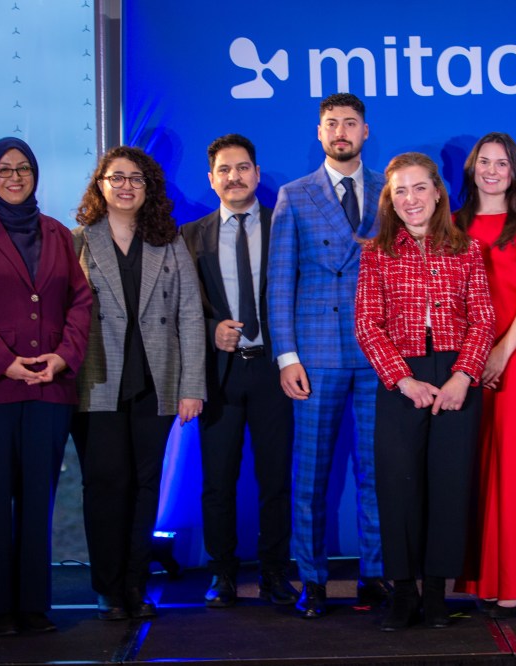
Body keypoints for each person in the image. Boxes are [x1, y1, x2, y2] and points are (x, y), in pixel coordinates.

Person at [0, 137, 92, 635]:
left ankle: (33, 606)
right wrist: (4, 362)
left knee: (36, 500)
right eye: (4, 169)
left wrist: (63, 356)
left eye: (23, 168)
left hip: (48, 385)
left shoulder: (57, 233)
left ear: (35, 174)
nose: (14, 177)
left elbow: (80, 302)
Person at [355, 152, 494, 631]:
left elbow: (483, 320)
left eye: (419, 188)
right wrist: (403, 380)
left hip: (456, 374)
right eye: (400, 191)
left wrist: (463, 376)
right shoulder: (376, 253)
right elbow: (367, 325)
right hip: (401, 377)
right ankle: (403, 591)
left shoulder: (467, 249)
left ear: (438, 192)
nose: (411, 199)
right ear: (389, 200)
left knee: (449, 485)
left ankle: (436, 592)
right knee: (398, 486)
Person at [268, 92, 391, 618]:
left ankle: (376, 576)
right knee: (311, 475)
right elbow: (279, 282)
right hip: (315, 355)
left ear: (365, 131)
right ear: (319, 133)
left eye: (350, 122)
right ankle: (313, 581)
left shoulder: (391, 191)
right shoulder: (294, 196)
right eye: (332, 123)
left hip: (379, 352)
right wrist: (286, 356)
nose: (341, 131)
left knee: (377, 472)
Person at [71, 146, 206, 621]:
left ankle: (134, 584)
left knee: (146, 486)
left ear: (149, 188)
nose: (126, 186)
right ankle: (108, 588)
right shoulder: (78, 241)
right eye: (116, 177)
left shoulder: (168, 242)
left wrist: (192, 386)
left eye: (136, 178)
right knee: (105, 485)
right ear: (100, 185)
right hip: (96, 382)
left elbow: (191, 315)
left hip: (156, 382)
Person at [181, 134, 298, 608]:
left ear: (257, 173)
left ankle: (274, 571)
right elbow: (182, 306)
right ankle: (222, 573)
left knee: (276, 479)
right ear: (211, 179)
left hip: (274, 370)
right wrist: (212, 330)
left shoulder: (283, 226)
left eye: (243, 167)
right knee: (218, 480)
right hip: (220, 374)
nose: (235, 177)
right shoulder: (190, 236)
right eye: (225, 170)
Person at [452, 132, 516, 617]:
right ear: (472, 168)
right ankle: (482, 578)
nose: (491, 171)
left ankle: (515, 579)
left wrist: (500, 353)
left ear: (514, 171)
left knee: (514, 466)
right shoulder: (452, 224)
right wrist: (472, 358)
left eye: (501, 163)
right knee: (475, 465)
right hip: (466, 360)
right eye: (484, 162)